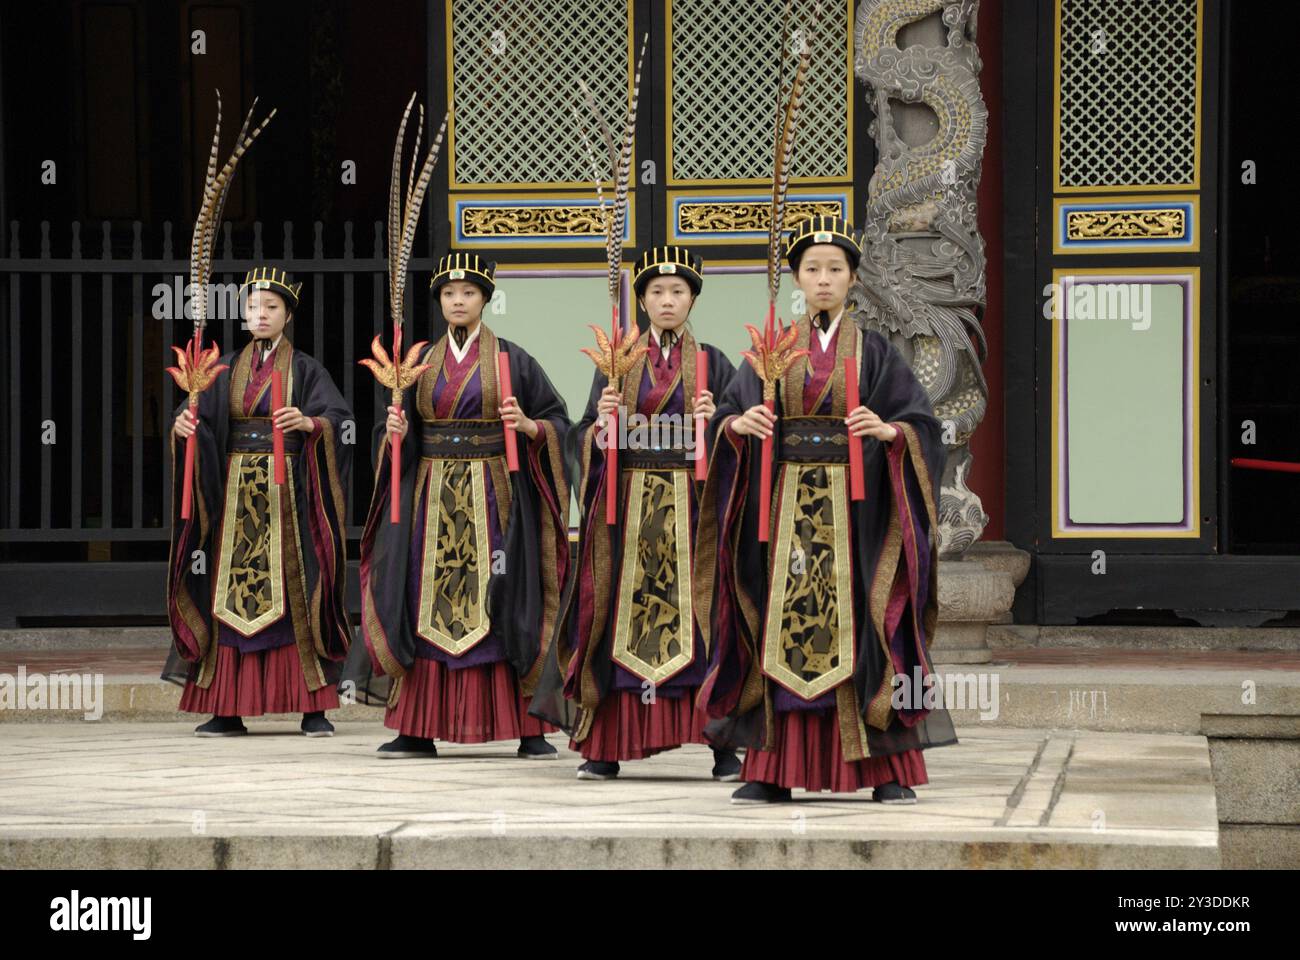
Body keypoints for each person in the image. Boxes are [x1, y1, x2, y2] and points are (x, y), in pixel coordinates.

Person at [694, 215, 957, 803]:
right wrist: (739, 424)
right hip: (782, 511)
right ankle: (770, 769)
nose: (823, 279)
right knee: (773, 624)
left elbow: (922, 427)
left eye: (834, 269)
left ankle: (885, 770)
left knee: (867, 624)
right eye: (811, 269)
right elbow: (723, 420)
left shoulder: (877, 352)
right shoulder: (771, 352)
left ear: (853, 279)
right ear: (796, 278)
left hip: (855, 516)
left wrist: (889, 433)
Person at [344, 253, 572, 759]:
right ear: (440, 300)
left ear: (485, 300)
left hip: (495, 497)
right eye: (449, 293)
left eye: (468, 293)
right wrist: (393, 435)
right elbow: (393, 436)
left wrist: (532, 429)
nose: (458, 301)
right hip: (431, 494)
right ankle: (416, 727)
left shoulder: (513, 360)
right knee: (422, 594)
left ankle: (528, 728)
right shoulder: (416, 364)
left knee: (503, 598)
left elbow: (558, 421)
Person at [530, 245, 742, 781]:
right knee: (618, 613)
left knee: (703, 616)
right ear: (642, 300)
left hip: (692, 512)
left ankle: (720, 743)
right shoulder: (617, 363)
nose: (667, 301)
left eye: (678, 291)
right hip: (628, 511)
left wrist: (716, 424)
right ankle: (609, 744)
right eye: (656, 292)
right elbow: (580, 437)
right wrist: (602, 427)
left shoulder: (714, 362)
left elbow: (742, 435)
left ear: (693, 298)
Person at [164, 267, 353, 737]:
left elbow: (338, 419)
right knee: (227, 595)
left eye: (271, 306)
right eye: (252, 306)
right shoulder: (220, 370)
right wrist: (184, 429)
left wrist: (311, 426)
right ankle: (227, 707)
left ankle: (313, 708)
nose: (260, 314)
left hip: (288, 494)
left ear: (288, 314)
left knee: (297, 591)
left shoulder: (307, 369)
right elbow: (197, 419)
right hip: (234, 496)